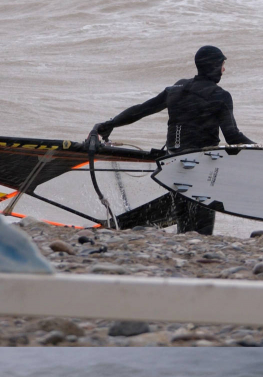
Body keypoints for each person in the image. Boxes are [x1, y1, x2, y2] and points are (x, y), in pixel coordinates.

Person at [87, 45, 253, 235]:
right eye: (223, 65)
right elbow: (232, 137)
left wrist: (110, 124)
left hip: (173, 163)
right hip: (201, 165)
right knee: (203, 221)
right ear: (215, 66)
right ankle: (197, 249)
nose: (224, 70)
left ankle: (185, 243)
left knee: (184, 213)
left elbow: (141, 110)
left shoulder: (176, 89)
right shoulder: (220, 96)